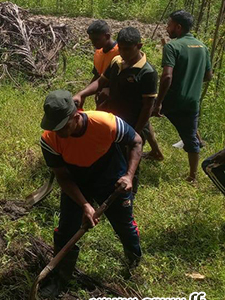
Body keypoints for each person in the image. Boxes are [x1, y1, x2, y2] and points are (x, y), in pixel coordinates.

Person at [39, 90, 143, 298]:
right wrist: (85, 205)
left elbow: (136, 141)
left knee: (125, 225)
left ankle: (134, 265)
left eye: (63, 127)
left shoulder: (106, 123)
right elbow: (63, 177)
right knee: (65, 231)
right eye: (54, 128)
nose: (58, 133)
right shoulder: (50, 139)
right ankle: (61, 277)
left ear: (76, 116)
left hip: (111, 177)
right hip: (77, 180)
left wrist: (129, 176)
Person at [73, 27, 163, 180]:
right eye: (120, 48)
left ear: (139, 46)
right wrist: (82, 93)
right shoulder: (116, 62)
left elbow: (148, 106)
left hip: (133, 123)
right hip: (113, 119)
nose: (123, 52)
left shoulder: (147, 73)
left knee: (130, 161)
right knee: (110, 155)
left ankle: (129, 192)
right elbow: (101, 81)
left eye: (128, 49)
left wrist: (136, 131)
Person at [152, 10, 213, 182]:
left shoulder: (172, 46)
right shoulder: (203, 47)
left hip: (172, 99)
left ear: (178, 27)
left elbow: (167, 76)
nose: (167, 27)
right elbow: (208, 76)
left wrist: (159, 103)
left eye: (169, 24)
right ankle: (193, 177)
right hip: (192, 101)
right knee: (191, 138)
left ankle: (145, 152)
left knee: (140, 118)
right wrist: (191, 80)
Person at [86, 20, 119, 109]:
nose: (93, 43)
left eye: (96, 40)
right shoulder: (98, 53)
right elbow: (97, 75)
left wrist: (110, 90)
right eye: (91, 40)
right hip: (101, 96)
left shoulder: (120, 52)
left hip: (117, 98)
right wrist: (85, 93)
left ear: (107, 36)